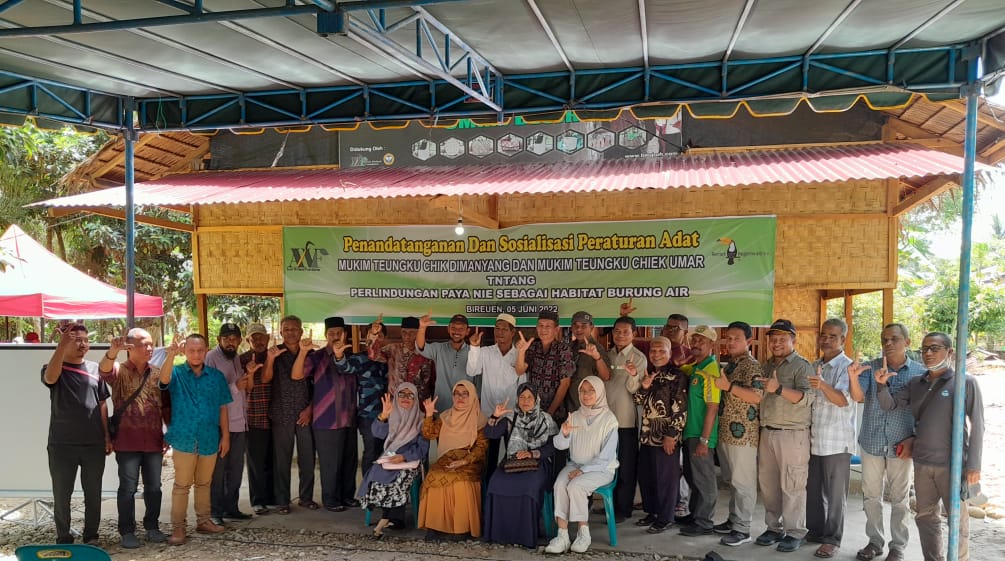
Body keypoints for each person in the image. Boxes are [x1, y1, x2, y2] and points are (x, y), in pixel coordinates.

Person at [877, 332, 984, 561]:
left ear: (950, 352)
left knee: (957, 519)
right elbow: (889, 405)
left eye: (935, 348)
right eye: (925, 348)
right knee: (925, 516)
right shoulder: (916, 383)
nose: (928, 353)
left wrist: (973, 465)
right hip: (923, 462)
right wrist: (881, 385)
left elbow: (978, 425)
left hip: (952, 464)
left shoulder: (965, 382)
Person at [847, 323, 926, 561]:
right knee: (871, 495)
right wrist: (852, 378)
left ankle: (898, 546)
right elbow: (858, 397)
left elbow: (922, 410)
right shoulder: (869, 367)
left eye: (894, 339)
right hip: (872, 440)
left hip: (901, 444)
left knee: (900, 499)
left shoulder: (919, 373)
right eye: (884, 340)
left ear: (907, 342)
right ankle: (875, 541)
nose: (888, 344)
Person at [159, 333, 232, 545]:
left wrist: (225, 436)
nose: (196, 354)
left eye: (200, 350)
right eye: (191, 350)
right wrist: (171, 354)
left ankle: (204, 521)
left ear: (206, 350)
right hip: (184, 437)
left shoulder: (216, 377)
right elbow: (163, 381)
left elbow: (223, 407)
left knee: (203, 483)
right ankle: (178, 529)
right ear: (185, 351)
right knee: (182, 485)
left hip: (209, 437)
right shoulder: (176, 373)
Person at [99, 328, 168, 548]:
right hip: (127, 440)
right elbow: (103, 372)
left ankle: (152, 526)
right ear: (129, 348)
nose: (149, 348)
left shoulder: (157, 372)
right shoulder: (119, 371)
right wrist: (112, 352)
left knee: (154, 487)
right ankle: (127, 531)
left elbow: (166, 405)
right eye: (143, 344)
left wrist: (167, 432)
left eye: (151, 344)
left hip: (154, 439)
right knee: (128, 488)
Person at [42, 323, 110, 546]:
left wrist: (107, 437)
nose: (83, 344)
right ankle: (64, 537)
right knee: (62, 494)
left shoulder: (94, 369)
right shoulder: (54, 366)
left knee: (93, 493)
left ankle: (91, 535)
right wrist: (60, 347)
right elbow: (50, 379)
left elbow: (102, 404)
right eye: (76, 340)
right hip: (62, 444)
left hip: (93, 444)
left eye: (85, 339)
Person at [755, 319, 814, 553]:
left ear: (793, 340)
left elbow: (808, 398)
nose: (776, 343)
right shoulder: (767, 365)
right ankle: (773, 527)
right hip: (767, 432)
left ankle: (795, 531)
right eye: (773, 338)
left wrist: (778, 389)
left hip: (793, 434)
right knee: (769, 486)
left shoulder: (801, 366)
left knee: (793, 485)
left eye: (782, 338)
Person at [544, 376, 619, 554]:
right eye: (583, 391)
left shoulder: (609, 419)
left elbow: (606, 457)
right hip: (575, 464)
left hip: (601, 469)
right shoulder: (575, 416)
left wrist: (583, 471)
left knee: (576, 486)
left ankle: (583, 533)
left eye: (591, 391)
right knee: (560, 484)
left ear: (599, 392)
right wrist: (564, 433)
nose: (586, 395)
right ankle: (562, 535)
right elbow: (560, 446)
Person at [294, 316, 359, 512]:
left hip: (349, 418)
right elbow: (297, 375)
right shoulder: (317, 357)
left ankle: (347, 496)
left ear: (345, 334)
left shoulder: (352, 357)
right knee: (330, 463)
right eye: (331, 333)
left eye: (339, 333)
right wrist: (303, 352)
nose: (335, 336)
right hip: (326, 420)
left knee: (349, 461)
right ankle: (330, 499)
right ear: (326, 335)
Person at [482, 383, 558, 548]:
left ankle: (525, 536)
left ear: (536, 399)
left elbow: (553, 447)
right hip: (512, 463)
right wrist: (495, 417)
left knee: (528, 487)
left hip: (538, 463)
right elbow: (490, 434)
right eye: (522, 397)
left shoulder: (546, 419)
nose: (525, 400)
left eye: (529, 397)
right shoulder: (512, 419)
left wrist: (532, 453)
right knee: (496, 483)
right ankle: (499, 534)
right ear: (517, 399)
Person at [711, 321, 764, 546]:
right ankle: (734, 520)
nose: (731, 342)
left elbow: (757, 396)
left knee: (743, 483)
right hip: (726, 431)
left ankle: (743, 529)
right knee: (733, 481)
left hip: (744, 435)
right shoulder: (731, 364)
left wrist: (729, 388)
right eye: (728, 338)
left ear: (748, 342)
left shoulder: (751, 366)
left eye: (736, 338)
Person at [806, 319, 856, 558]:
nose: (826, 340)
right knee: (814, 491)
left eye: (832, 336)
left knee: (835, 495)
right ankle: (815, 531)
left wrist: (823, 385)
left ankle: (832, 539)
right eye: (823, 335)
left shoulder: (847, 367)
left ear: (843, 340)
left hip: (837, 441)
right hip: (815, 438)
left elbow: (843, 400)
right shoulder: (815, 364)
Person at [418, 379, 488, 540]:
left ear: (472, 396)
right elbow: (429, 434)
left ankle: (461, 529)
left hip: (470, 461)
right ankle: (435, 527)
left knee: (460, 480)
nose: (460, 397)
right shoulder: (445, 416)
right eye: (457, 393)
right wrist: (429, 415)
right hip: (447, 458)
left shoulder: (480, 419)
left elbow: (481, 448)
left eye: (465, 394)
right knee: (433, 475)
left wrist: (465, 461)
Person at [358, 382, 429, 538]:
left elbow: (422, 449)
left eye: (410, 395)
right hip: (390, 456)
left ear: (415, 399)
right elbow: (377, 433)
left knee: (399, 479)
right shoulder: (391, 414)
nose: (405, 398)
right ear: (396, 397)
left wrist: (404, 457)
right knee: (376, 473)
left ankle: (390, 518)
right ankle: (391, 517)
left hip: (410, 459)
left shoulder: (422, 420)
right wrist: (383, 416)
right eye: (401, 394)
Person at [632, 337, 688, 534]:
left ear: (669, 353)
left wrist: (671, 435)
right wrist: (645, 385)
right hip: (647, 435)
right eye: (653, 351)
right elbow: (638, 399)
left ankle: (665, 517)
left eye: (661, 351)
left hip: (665, 436)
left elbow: (680, 408)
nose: (656, 355)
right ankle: (652, 512)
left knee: (666, 479)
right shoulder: (650, 373)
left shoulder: (677, 376)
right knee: (647, 477)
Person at [263, 315, 316, 514]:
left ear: (301, 331)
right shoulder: (276, 354)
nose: (291, 332)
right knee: (282, 460)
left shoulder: (311, 354)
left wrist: (310, 409)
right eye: (286, 329)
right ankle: (282, 500)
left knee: (307, 459)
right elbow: (266, 378)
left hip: (304, 414)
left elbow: (318, 385)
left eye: (294, 329)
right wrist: (269, 359)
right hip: (281, 413)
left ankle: (306, 498)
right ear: (280, 332)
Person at [206, 323, 254, 524]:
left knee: (235, 469)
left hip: (239, 423)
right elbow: (209, 390)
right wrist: (235, 386)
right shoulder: (211, 358)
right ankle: (215, 512)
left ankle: (231, 508)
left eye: (234, 339)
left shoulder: (236, 358)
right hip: (220, 424)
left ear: (240, 341)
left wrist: (248, 375)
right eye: (226, 339)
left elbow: (244, 389)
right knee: (218, 471)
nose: (230, 342)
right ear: (219, 340)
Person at [601, 315, 646, 523]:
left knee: (626, 465)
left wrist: (634, 374)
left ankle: (623, 508)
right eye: (617, 331)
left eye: (625, 332)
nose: (620, 335)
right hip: (605, 421)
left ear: (633, 334)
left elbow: (634, 388)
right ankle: (609, 503)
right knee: (607, 464)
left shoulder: (638, 358)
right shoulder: (606, 355)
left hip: (625, 420)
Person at [466, 313, 523, 478]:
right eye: (497, 329)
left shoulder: (518, 355)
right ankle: (488, 494)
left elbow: (522, 386)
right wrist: (474, 348)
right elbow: (472, 370)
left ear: (513, 332)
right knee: (489, 458)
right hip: (489, 415)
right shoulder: (485, 352)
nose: (499, 332)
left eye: (504, 329)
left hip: (511, 416)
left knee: (511, 457)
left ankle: (506, 493)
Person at [678, 325, 721, 537]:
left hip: (701, 435)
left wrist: (705, 440)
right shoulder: (697, 368)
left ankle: (704, 522)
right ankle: (695, 515)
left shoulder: (711, 371)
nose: (695, 344)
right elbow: (682, 369)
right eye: (693, 340)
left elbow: (713, 407)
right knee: (693, 477)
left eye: (701, 341)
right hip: (690, 433)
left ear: (711, 345)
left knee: (705, 481)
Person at [240, 323, 275, 515]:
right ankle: (258, 500)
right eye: (254, 338)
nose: (259, 341)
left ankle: (271, 497)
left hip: (275, 416)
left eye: (262, 337)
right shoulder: (241, 360)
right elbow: (244, 388)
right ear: (248, 340)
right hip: (253, 417)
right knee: (256, 463)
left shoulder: (275, 357)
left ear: (268, 337)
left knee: (273, 460)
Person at [516, 310, 575, 421]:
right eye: (540, 325)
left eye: (548, 326)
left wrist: (549, 414)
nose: (543, 329)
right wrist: (521, 352)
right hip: (532, 411)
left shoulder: (563, 350)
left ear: (556, 329)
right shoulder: (533, 347)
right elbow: (519, 371)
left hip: (554, 413)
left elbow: (565, 384)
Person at [369, 316, 435, 405]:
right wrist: (373, 335)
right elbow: (373, 355)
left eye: (412, 333)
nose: (407, 336)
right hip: (395, 403)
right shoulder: (393, 349)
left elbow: (433, 381)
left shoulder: (428, 352)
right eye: (404, 332)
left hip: (419, 405)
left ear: (419, 333)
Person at [416, 312, 471, 410]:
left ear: (467, 331)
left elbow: (478, 385)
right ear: (448, 329)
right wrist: (422, 328)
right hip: (442, 408)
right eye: (453, 328)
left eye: (461, 328)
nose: (457, 331)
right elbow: (421, 347)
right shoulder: (439, 348)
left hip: (465, 410)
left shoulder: (474, 352)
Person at [356, 323, 389, 479]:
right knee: (370, 452)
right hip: (368, 416)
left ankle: (382, 493)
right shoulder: (359, 358)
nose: (376, 339)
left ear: (385, 339)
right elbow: (343, 366)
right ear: (366, 337)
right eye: (372, 335)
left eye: (380, 336)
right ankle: (367, 492)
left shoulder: (390, 358)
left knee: (386, 454)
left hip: (390, 415)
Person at [565, 311, 611, 412]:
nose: (579, 329)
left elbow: (606, 376)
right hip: (569, 407)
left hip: (588, 408)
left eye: (584, 325)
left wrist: (597, 357)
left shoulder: (597, 348)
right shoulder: (569, 348)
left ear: (591, 327)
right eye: (575, 325)